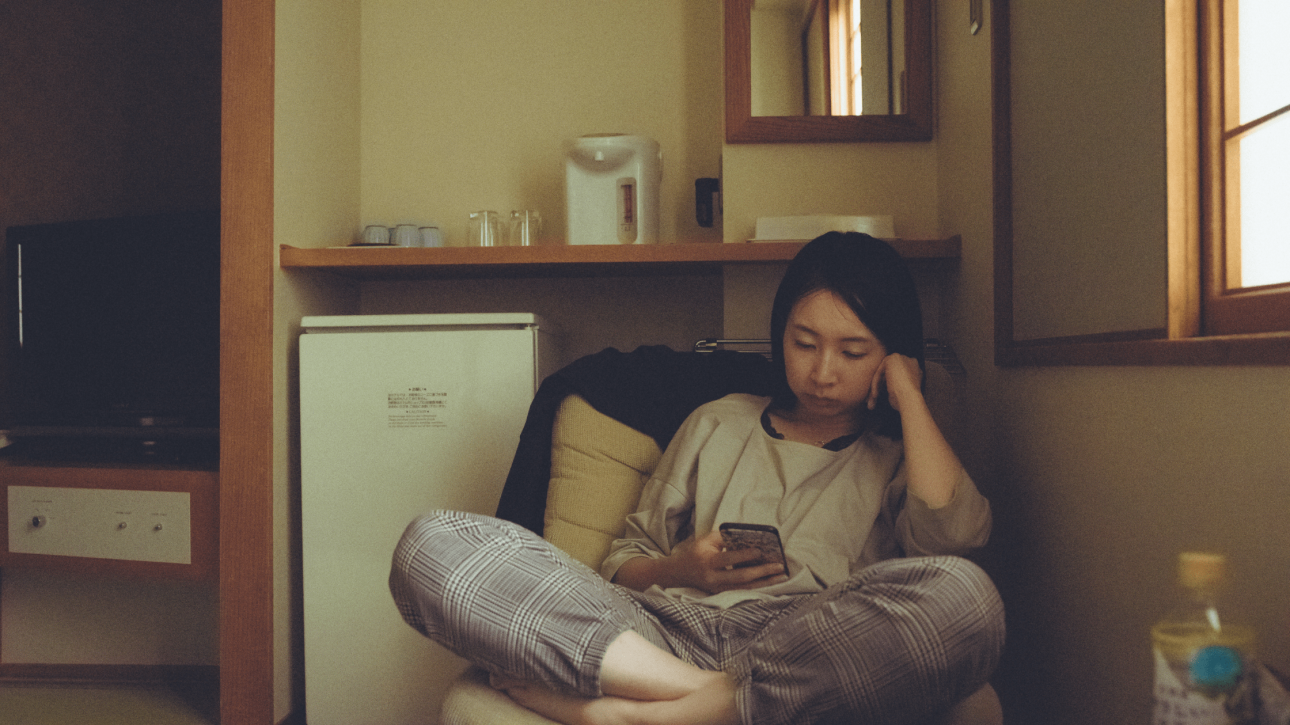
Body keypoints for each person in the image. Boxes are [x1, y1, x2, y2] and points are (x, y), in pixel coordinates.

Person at [389, 232, 1005, 725]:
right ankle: (710, 698)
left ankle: (648, 717)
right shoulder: (717, 421)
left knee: (970, 599)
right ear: (779, 335)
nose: (822, 373)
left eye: (853, 352)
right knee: (430, 545)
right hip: (659, 637)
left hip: (812, 646)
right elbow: (623, 559)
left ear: (889, 355)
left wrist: (910, 394)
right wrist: (681, 567)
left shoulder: (899, 454)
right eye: (804, 343)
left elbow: (950, 546)